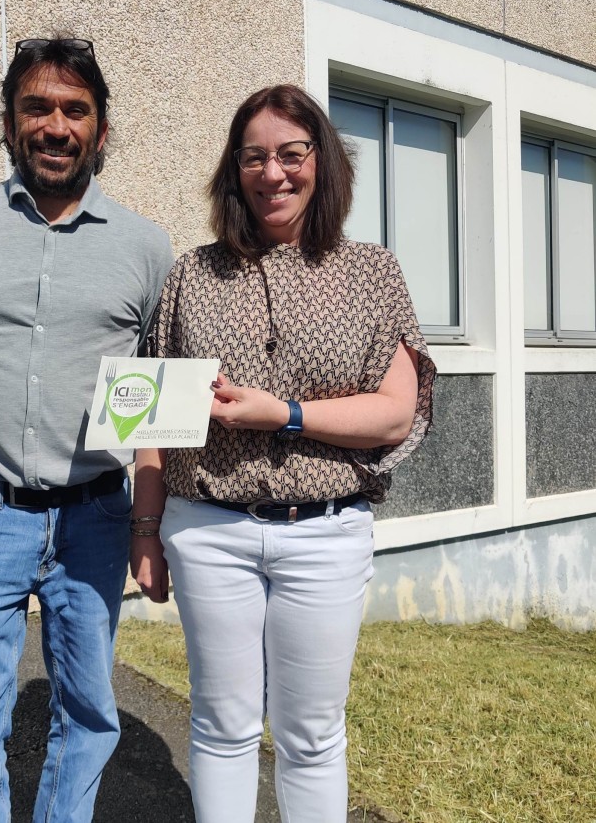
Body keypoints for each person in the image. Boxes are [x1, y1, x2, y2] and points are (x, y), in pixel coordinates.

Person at [130, 84, 435, 823]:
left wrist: (287, 415)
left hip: (325, 533)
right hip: (208, 531)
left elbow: (395, 413)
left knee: (311, 735)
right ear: (233, 170)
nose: (273, 173)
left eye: (291, 154)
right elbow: (151, 418)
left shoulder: (371, 272)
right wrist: (144, 532)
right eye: (253, 157)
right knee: (221, 724)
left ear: (320, 161)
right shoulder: (191, 275)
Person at [0, 35, 174, 823]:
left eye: (74, 110)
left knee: (87, 712)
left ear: (101, 128)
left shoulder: (144, 246)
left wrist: (146, 522)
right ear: (8, 122)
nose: (56, 126)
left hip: (96, 515)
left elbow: (155, 387)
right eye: (37, 107)